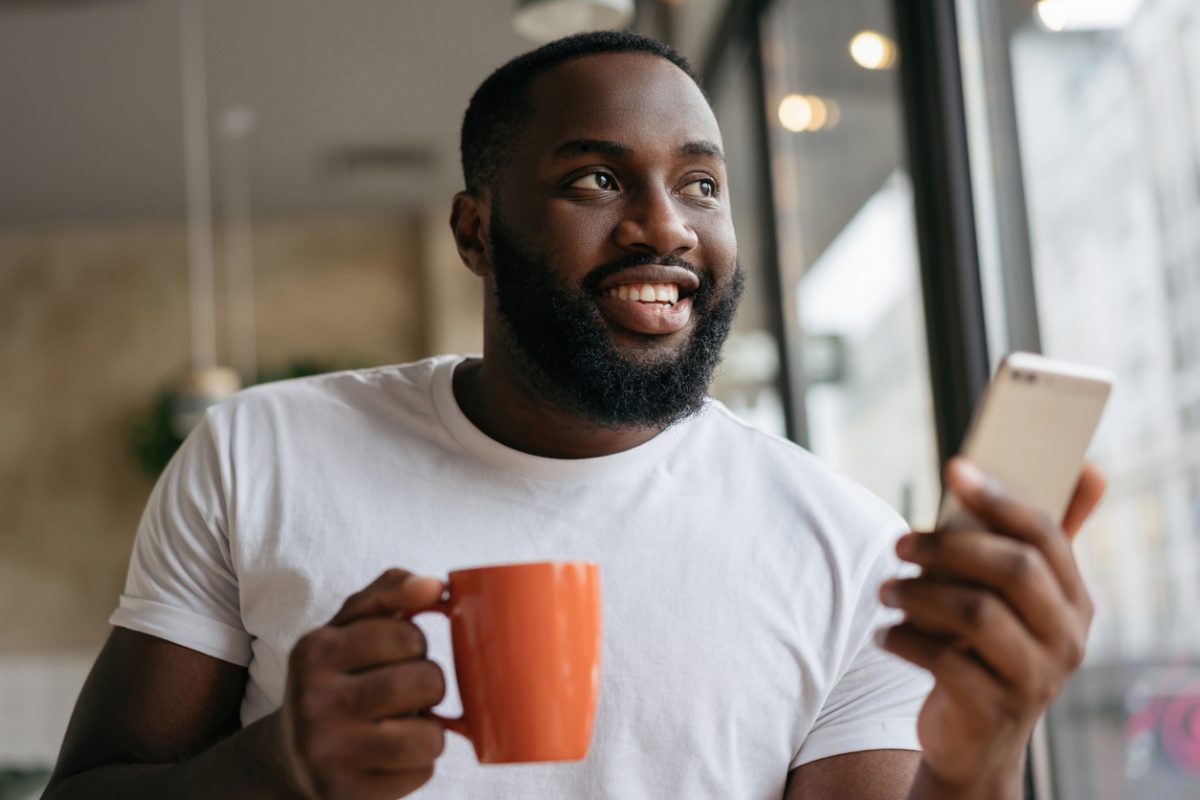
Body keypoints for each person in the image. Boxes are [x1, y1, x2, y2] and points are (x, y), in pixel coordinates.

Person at [42, 31, 1104, 800]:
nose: (663, 226)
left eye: (700, 184)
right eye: (597, 177)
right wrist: (275, 766)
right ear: (475, 229)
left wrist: (982, 760)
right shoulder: (259, 453)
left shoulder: (851, 545)